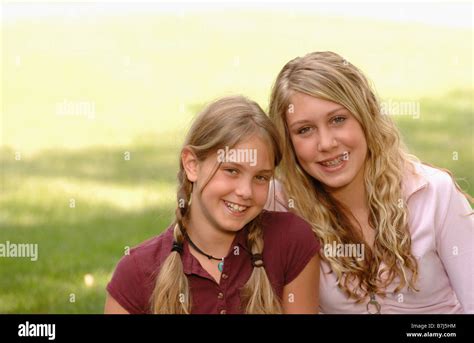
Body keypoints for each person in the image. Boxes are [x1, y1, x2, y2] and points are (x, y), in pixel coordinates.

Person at [266, 51, 473, 313]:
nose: (327, 143)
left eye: (338, 119)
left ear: (366, 115)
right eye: (304, 130)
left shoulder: (433, 194)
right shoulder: (280, 205)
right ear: (287, 141)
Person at [105, 95, 320, 314]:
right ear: (192, 164)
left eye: (261, 177)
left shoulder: (291, 240)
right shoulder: (136, 272)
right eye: (231, 171)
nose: (245, 192)